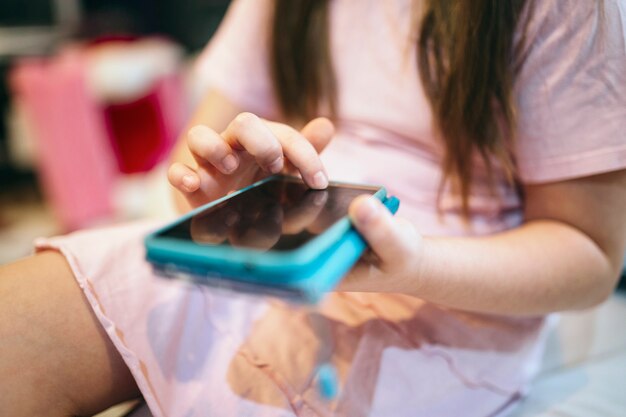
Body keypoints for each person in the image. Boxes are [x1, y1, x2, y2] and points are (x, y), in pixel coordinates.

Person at [2, 0, 625, 416]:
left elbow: (590, 251)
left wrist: (415, 265)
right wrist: (224, 193)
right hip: (264, 259)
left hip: (451, 302)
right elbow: (197, 161)